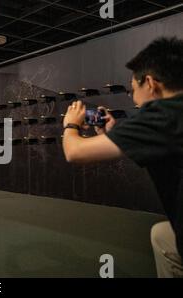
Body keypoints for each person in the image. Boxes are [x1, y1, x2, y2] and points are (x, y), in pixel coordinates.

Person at [62, 37, 183, 277]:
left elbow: (74, 152)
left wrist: (70, 125)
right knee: (163, 235)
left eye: (133, 90)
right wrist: (116, 133)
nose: (133, 98)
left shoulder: (161, 115)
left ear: (150, 83)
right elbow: (158, 143)